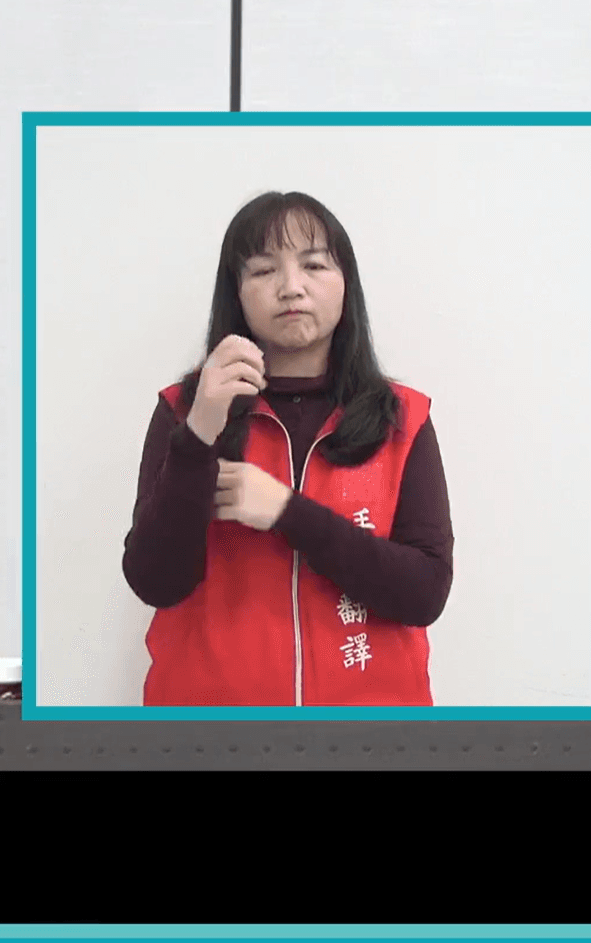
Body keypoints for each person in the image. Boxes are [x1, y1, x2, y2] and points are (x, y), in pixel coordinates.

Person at [121, 191, 453, 706]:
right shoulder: (184, 410)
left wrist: (286, 511)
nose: (291, 287)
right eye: (263, 270)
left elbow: (424, 593)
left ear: (346, 284)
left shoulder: (403, 418)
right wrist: (200, 431)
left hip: (371, 730)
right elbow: (155, 582)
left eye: (314, 265)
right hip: (208, 730)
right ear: (236, 291)